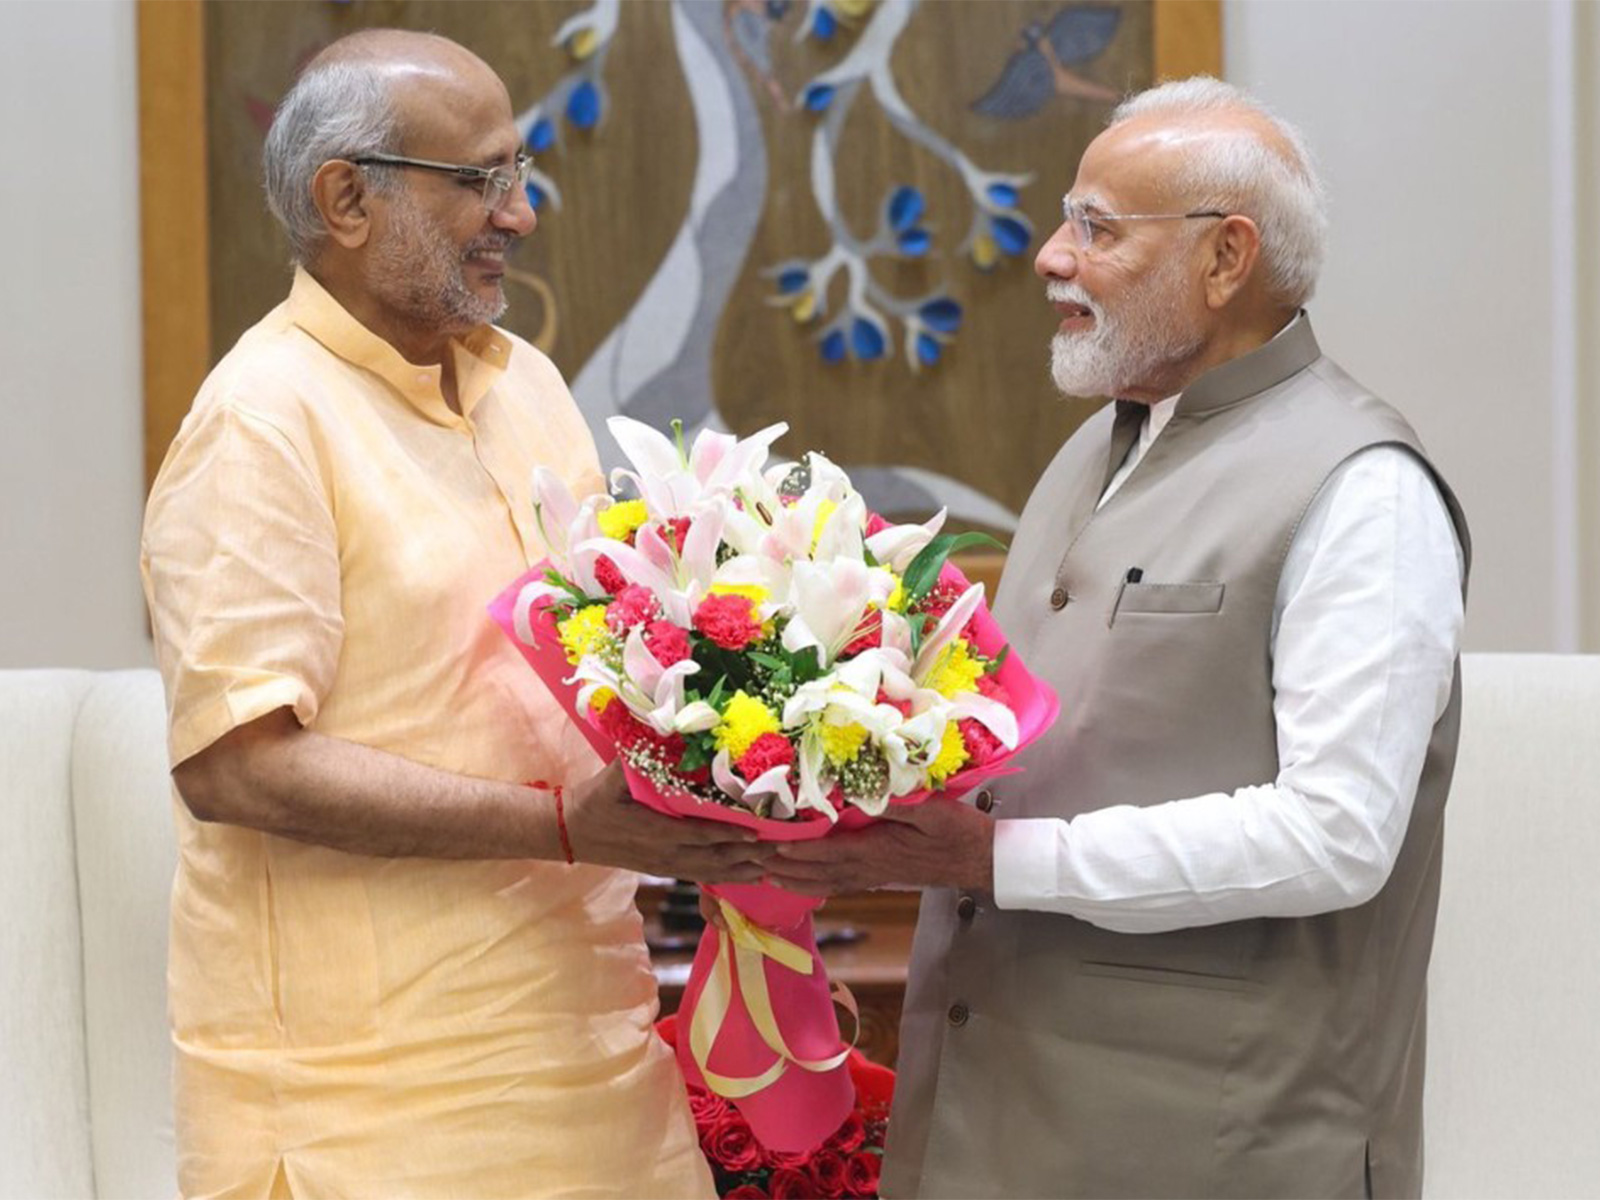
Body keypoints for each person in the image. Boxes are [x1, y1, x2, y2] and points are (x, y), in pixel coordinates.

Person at [770, 76, 1469, 1199]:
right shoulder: (1097, 443)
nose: (1050, 255)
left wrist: (988, 859)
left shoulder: (1365, 489)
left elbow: (1336, 834)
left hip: (1215, 1143)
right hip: (989, 1117)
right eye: (1064, 219)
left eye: (1096, 228)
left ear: (1225, 258)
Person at [140, 30, 767, 1198]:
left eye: (518, 173)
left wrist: (757, 907)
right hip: (373, 1108)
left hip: (592, 1055)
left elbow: (614, 685)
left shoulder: (520, 381)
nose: (519, 214)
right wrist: (566, 829)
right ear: (346, 199)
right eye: (480, 180)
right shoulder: (263, 420)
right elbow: (234, 767)